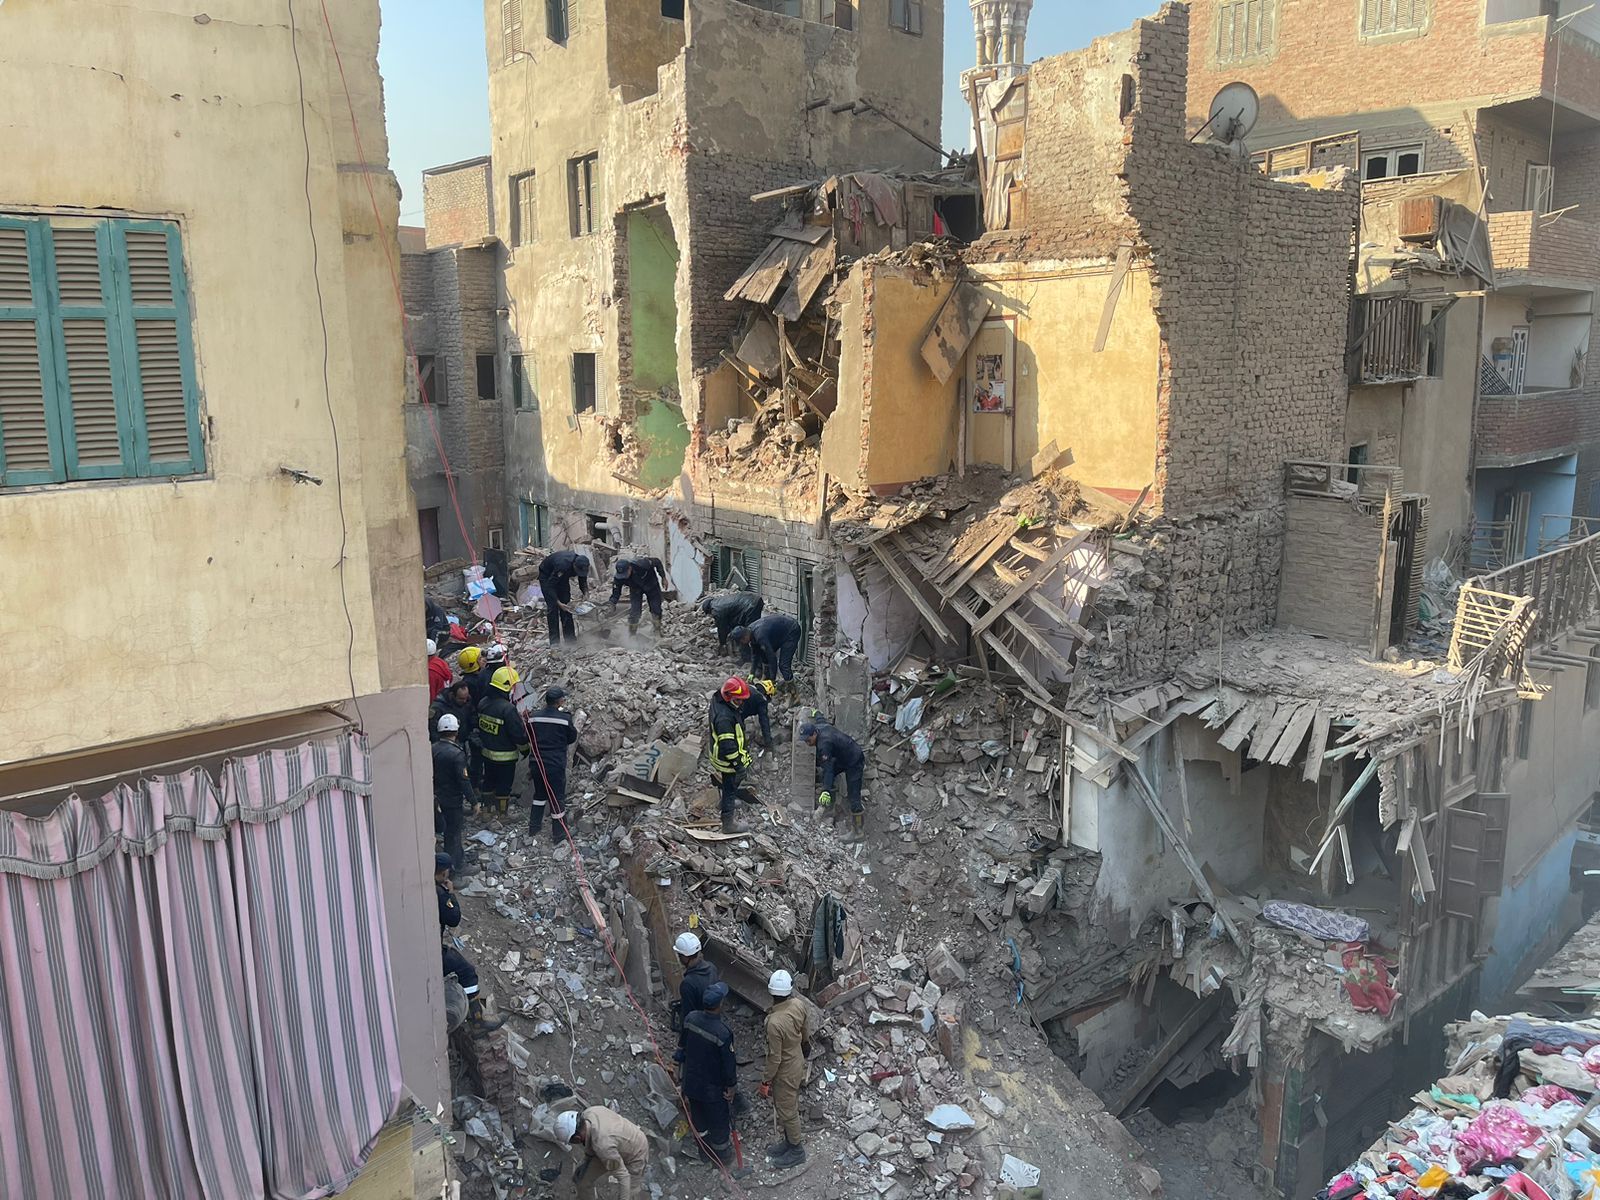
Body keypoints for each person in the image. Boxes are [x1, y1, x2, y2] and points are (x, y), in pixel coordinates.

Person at [680, 982, 746, 1173]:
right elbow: (728, 1065)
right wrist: (731, 1087)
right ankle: (722, 1157)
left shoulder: (691, 1018)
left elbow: (682, 1045)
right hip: (713, 1089)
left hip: (691, 1083)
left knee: (699, 1119)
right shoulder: (722, 1033)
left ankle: (704, 1153)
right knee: (719, 1124)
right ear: (720, 1004)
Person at [437, 853, 504, 1035]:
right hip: (433, 951)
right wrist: (451, 895)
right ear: (443, 873)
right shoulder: (440, 894)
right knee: (466, 972)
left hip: (427, 946)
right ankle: (477, 1021)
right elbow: (453, 919)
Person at [760, 969, 807, 1169]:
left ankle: (797, 1150)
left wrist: (766, 1079)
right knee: (788, 1105)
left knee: (787, 1110)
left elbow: (775, 1058)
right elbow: (805, 1031)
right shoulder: (798, 1004)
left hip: (785, 1070)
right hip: (797, 1059)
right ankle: (789, 1142)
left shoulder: (773, 1022)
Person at [555, 1106, 650, 1200]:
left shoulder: (603, 1147)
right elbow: (591, 1143)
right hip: (613, 1144)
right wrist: (585, 1161)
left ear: (577, 1138)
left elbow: (623, 1176)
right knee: (583, 1182)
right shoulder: (588, 1113)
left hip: (636, 1152)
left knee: (628, 1192)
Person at [476, 666, 529, 818]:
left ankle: (486, 812)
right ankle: (502, 815)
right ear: (507, 687)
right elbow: (517, 735)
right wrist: (526, 749)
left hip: (487, 753)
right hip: (505, 756)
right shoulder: (508, 709)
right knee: (504, 786)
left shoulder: (483, 703)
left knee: (488, 782)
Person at [527, 686, 578, 843]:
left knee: (539, 795)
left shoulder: (533, 717)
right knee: (557, 798)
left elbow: (527, 735)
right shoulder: (565, 719)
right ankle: (559, 834)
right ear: (559, 701)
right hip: (555, 765)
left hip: (536, 764)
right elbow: (572, 738)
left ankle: (533, 828)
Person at [802, 721, 867, 842]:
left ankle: (858, 832)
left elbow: (829, 769)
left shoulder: (824, 744)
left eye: (808, 740)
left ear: (814, 734)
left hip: (854, 760)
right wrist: (816, 713)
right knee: (826, 777)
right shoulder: (819, 727)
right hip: (842, 757)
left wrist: (826, 790)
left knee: (854, 797)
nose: (807, 743)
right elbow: (820, 718)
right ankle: (829, 809)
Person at [708, 678, 754, 835]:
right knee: (730, 787)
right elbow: (728, 746)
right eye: (737, 700)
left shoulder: (718, 698)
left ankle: (723, 803)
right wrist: (738, 765)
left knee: (730, 786)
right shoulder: (725, 718)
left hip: (721, 754)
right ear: (728, 697)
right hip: (727, 760)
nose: (741, 703)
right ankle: (728, 823)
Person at [433, 714, 477, 871]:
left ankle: (457, 857)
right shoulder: (457, 754)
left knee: (445, 831)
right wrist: (474, 801)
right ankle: (454, 868)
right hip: (452, 800)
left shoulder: (432, 749)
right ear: (456, 732)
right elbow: (463, 780)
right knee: (453, 833)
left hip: (437, 798)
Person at [672, 931, 721, 1054]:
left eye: (679, 955)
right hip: (715, 1023)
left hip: (700, 1032)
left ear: (685, 957)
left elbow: (688, 1017)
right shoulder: (712, 968)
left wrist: (682, 1046)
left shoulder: (688, 983)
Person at [730, 613, 802, 686]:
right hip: (780, 632)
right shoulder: (750, 632)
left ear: (744, 637)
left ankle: (790, 686)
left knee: (783, 665)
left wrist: (772, 680)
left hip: (791, 630)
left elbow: (772, 658)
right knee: (763, 653)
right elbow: (755, 655)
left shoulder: (760, 636)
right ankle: (766, 677)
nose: (742, 644)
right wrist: (751, 674)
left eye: (741, 642)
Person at [539, 549, 591, 646]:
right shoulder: (562, 565)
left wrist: (585, 593)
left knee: (567, 607)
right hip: (547, 577)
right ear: (574, 565)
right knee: (553, 609)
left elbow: (582, 579)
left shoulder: (582, 563)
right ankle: (555, 642)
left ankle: (570, 640)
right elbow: (550, 586)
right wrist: (558, 602)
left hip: (563, 578)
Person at [609, 555, 669, 636]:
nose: (624, 576)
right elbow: (616, 591)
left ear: (630, 568)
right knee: (635, 613)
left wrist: (663, 577)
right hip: (635, 589)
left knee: (656, 609)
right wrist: (612, 603)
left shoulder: (642, 564)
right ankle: (632, 634)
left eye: (625, 573)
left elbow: (657, 562)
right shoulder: (619, 577)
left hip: (651, 585)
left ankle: (657, 630)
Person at [700, 591, 764, 659]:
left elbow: (722, 628)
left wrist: (722, 643)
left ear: (709, 610)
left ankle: (753, 657)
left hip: (751, 605)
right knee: (747, 631)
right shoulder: (718, 602)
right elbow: (731, 620)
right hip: (753, 599)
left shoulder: (716, 610)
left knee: (747, 633)